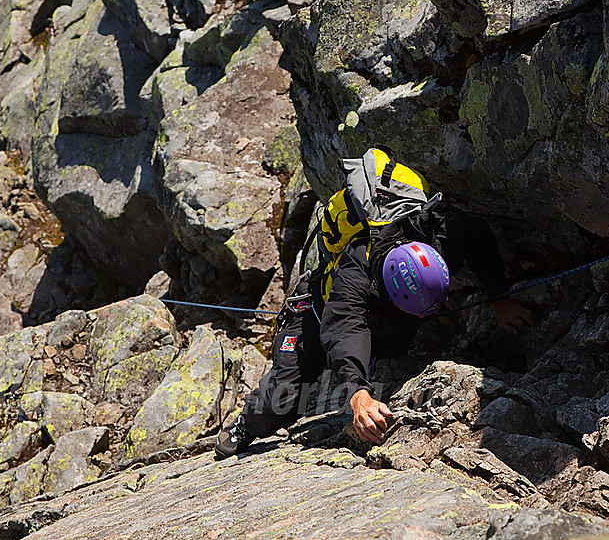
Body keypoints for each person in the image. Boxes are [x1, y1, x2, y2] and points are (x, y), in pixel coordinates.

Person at [214, 148, 534, 459]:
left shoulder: (433, 232)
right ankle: (245, 424)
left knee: (390, 343)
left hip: (382, 321)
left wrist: (499, 299)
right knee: (278, 402)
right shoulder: (356, 275)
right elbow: (344, 327)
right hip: (315, 309)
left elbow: (476, 234)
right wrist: (357, 392)